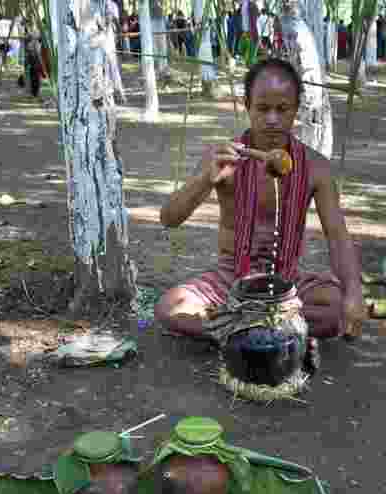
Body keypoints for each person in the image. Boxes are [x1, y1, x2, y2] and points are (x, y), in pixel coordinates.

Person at [156, 59, 367, 342]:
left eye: (282, 109)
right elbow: (169, 219)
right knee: (170, 307)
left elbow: (338, 236)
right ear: (247, 105)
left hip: (288, 282)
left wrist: (354, 294)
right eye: (263, 108)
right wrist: (205, 180)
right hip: (230, 279)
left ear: (296, 109)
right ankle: (277, 329)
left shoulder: (316, 168)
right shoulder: (222, 158)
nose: (272, 119)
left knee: (337, 307)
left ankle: (239, 329)